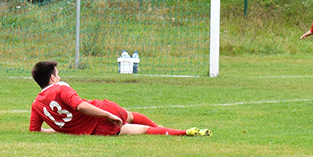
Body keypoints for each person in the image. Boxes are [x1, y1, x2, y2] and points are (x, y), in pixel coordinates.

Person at [29, 61, 211, 136]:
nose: (59, 77)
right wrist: (106, 114)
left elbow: (35, 130)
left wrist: (60, 129)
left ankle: (182, 132)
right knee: (131, 118)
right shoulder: (61, 87)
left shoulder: (36, 104)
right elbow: (80, 106)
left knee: (138, 130)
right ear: (52, 78)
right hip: (101, 111)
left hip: (94, 131)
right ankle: (180, 131)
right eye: (58, 74)